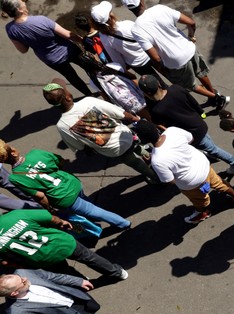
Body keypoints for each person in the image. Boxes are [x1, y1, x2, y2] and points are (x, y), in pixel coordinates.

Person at [42, 78, 158, 184]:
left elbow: (80, 147)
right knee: (135, 143)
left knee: (134, 162)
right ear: (68, 97)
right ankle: (149, 156)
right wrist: (136, 119)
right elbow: (120, 113)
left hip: (113, 150)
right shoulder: (88, 102)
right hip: (126, 136)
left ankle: (154, 177)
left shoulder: (62, 126)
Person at [133, 119, 234, 224]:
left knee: (199, 200)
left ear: (144, 140)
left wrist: (150, 163)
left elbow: (170, 181)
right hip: (204, 166)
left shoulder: (157, 159)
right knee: (221, 184)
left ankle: (203, 213)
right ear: (155, 128)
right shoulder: (172, 131)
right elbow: (190, 139)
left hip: (192, 183)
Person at [0, 140, 130, 232]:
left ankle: (123, 223)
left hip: (63, 197)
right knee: (85, 202)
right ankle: (93, 213)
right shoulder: (35, 153)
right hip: (72, 182)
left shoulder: (16, 177)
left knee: (92, 210)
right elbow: (59, 161)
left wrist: (49, 208)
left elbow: (40, 196)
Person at [124, 0, 229, 110]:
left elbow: (155, 57)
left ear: (129, 9)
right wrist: (191, 36)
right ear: (141, 2)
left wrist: (162, 68)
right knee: (201, 73)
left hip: (175, 62)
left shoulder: (136, 30)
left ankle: (217, 98)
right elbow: (191, 22)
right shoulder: (159, 8)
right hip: (189, 48)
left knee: (191, 85)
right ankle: (212, 94)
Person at [137, 75, 234, 176]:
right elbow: (193, 102)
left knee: (213, 149)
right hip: (199, 124)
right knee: (207, 142)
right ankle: (213, 154)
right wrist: (202, 114)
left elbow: (157, 122)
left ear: (146, 93)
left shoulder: (156, 110)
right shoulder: (176, 89)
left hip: (192, 135)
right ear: (158, 83)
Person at [0, 269, 152, 314]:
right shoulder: (17, 313)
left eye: (21, 278)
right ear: (14, 293)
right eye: (22, 282)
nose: (25, 279)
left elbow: (54, 276)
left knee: (94, 307)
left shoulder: (22, 273)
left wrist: (78, 281)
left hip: (75, 296)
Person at [1, 0, 94, 97]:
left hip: (52, 60)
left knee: (72, 77)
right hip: (69, 50)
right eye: (22, 3)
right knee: (89, 67)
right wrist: (82, 40)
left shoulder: (10, 29)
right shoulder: (41, 20)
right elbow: (67, 35)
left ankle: (89, 96)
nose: (25, 3)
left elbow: (23, 50)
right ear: (19, 10)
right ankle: (102, 88)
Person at [0, 209, 128, 279]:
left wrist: (23, 264)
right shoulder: (15, 216)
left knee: (64, 271)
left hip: (41, 258)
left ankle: (82, 282)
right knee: (89, 257)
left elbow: (5, 262)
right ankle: (116, 273)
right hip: (61, 243)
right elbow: (50, 218)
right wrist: (62, 222)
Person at [90, 0, 162, 80]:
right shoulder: (126, 25)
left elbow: (116, 58)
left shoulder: (104, 38)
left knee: (158, 86)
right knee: (169, 75)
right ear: (110, 16)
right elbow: (147, 38)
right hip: (150, 54)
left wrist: (125, 70)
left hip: (138, 65)